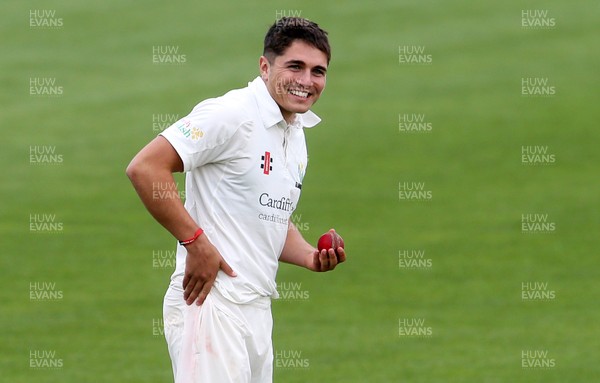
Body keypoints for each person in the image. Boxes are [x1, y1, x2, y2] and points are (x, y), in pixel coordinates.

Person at [126, 17, 345, 383]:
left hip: (256, 308)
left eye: (318, 71)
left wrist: (308, 255)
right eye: (295, 66)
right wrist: (195, 243)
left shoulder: (295, 131)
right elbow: (146, 168)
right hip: (212, 304)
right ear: (265, 66)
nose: (307, 81)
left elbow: (266, 215)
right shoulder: (231, 114)